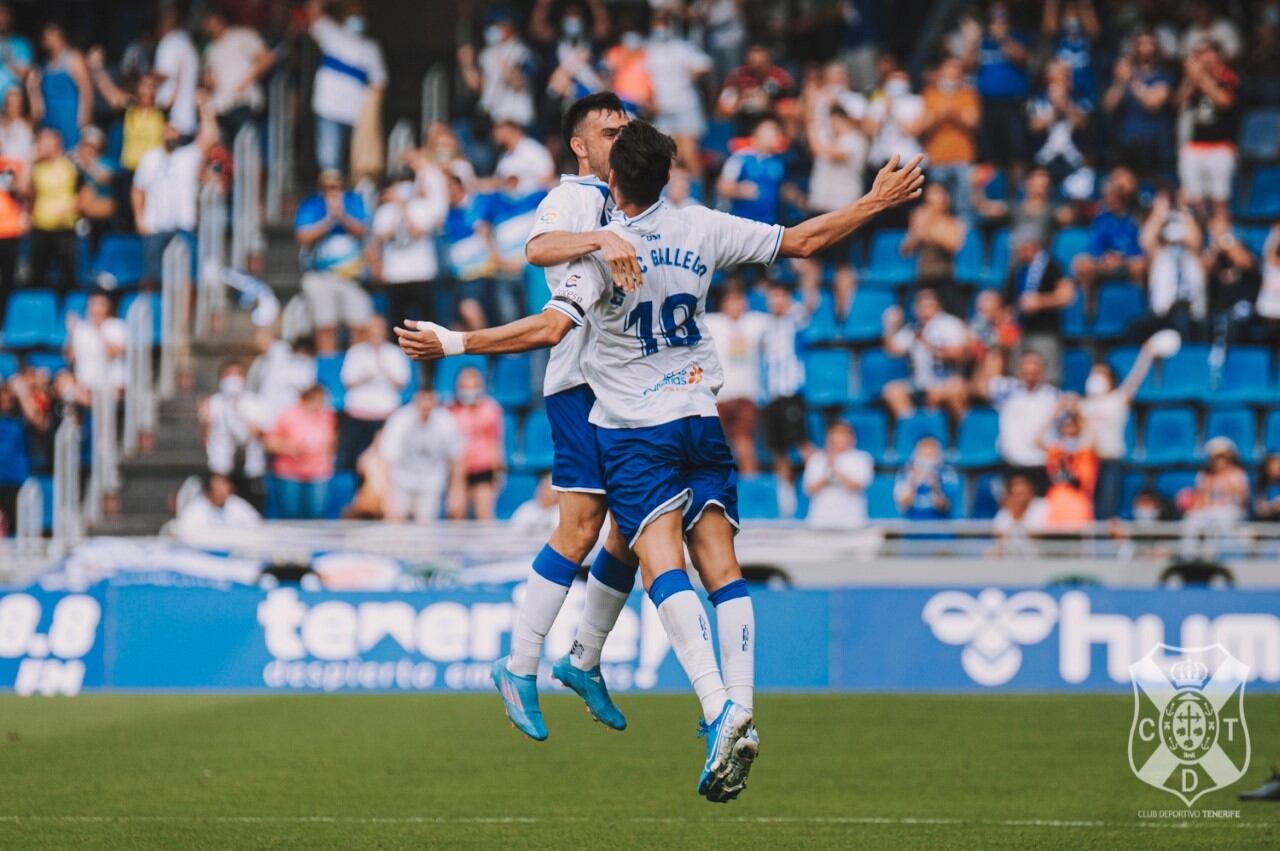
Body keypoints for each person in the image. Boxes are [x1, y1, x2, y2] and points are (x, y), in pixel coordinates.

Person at [395, 119, 924, 801]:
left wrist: (456, 343)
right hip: (701, 417)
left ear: (611, 179)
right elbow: (805, 239)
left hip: (636, 431)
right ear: (669, 175)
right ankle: (738, 703)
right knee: (723, 566)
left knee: (663, 565)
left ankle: (717, 706)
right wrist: (879, 199)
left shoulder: (603, 257)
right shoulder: (702, 225)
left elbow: (550, 328)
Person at [132, 96, 220, 289]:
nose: (169, 134)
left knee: (186, 278)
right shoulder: (150, 158)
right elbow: (138, 190)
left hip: (183, 225)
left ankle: (182, 319)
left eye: (173, 130)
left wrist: (205, 109)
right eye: (167, 129)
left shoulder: (189, 156)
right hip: (154, 226)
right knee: (151, 278)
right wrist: (140, 219)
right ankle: (153, 315)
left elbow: (209, 137)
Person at [294, 170, 373, 354]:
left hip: (352, 277)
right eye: (328, 187)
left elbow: (362, 230)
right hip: (320, 275)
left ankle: (356, 366)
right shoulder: (312, 205)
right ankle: (328, 365)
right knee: (325, 325)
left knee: (359, 324)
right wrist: (329, 220)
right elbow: (303, 236)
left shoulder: (354, 202)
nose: (332, 191)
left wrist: (342, 216)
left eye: (336, 186)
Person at [1080, 337, 1159, 521]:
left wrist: (1146, 354)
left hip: (1110, 460)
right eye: (1094, 374)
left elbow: (1136, 378)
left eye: (1101, 374)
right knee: (1086, 512)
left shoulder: (1117, 400)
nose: (1096, 379)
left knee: (1107, 510)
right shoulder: (1082, 405)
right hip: (1087, 462)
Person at [305, 0, 387, 173]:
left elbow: (379, 84)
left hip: (357, 115)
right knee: (330, 163)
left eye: (359, 15)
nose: (356, 19)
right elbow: (312, 12)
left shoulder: (371, 48)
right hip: (328, 109)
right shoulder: (332, 32)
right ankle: (332, 199)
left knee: (358, 165)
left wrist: (371, 119)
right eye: (352, 14)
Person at [802, 100, 867, 318]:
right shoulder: (831, 138)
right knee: (811, 262)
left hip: (842, 211)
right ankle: (808, 310)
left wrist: (811, 124)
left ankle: (843, 315)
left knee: (842, 263)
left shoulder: (855, 141)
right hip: (819, 207)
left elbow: (828, 152)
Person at [760, 279, 814, 519]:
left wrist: (805, 274)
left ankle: (816, 492)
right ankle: (787, 504)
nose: (776, 301)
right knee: (778, 451)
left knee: (801, 443)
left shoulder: (795, 318)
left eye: (781, 296)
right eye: (773, 297)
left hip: (791, 393)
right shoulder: (766, 326)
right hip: (771, 396)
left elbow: (810, 302)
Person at [367, 170, 446, 332]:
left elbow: (418, 232)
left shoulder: (422, 207)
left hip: (421, 273)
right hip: (395, 275)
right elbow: (381, 237)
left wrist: (404, 207)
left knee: (427, 324)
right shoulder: (385, 210)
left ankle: (429, 358)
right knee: (398, 325)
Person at [881, 288, 971, 423]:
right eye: (921, 306)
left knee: (946, 392)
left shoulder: (949, 324)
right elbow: (892, 350)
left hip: (946, 380)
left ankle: (964, 433)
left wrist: (931, 347)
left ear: (937, 306)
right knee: (892, 391)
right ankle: (912, 426)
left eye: (928, 305)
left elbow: (961, 353)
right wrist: (889, 327)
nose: (924, 310)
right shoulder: (913, 328)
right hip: (919, 382)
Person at [975, 349, 1060, 491]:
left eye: (1035, 365)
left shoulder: (1053, 395)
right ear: (1019, 370)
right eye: (1026, 365)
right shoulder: (1007, 389)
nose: (1030, 370)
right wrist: (991, 352)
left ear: (1043, 370)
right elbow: (980, 386)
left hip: (1042, 463)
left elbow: (1074, 409)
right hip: (1013, 463)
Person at [704, 288, 767, 474]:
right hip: (718, 396)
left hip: (745, 394)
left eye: (739, 300)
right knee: (715, 447)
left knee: (744, 444)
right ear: (723, 304)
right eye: (731, 301)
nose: (736, 306)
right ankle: (720, 492)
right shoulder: (712, 322)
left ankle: (750, 492)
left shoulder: (756, 322)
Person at [378, 389, 464, 524]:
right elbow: (386, 459)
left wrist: (456, 491)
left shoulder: (446, 421)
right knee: (394, 526)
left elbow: (456, 458)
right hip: (401, 480)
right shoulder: (400, 419)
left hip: (432, 481)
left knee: (425, 529)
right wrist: (387, 495)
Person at [1175, 40, 1239, 220]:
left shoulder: (1228, 77)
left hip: (1220, 146)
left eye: (1207, 52)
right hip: (1195, 145)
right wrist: (1190, 79)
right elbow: (1178, 102)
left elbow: (1224, 101)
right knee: (1192, 198)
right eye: (1199, 53)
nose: (1203, 58)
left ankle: (1220, 237)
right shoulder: (1194, 80)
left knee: (1219, 199)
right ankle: (1200, 237)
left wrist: (1201, 78)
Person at [338, 315, 410, 470]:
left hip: (385, 416)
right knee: (354, 462)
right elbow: (347, 381)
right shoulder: (355, 352)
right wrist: (365, 374)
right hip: (359, 415)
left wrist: (384, 367)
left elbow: (401, 382)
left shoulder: (394, 353)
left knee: (386, 461)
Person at [1004, 226, 1075, 382]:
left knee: (1047, 377)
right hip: (1021, 331)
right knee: (1018, 375)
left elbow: (1067, 295)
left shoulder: (1051, 266)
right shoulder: (1017, 268)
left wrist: (1040, 301)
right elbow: (1009, 301)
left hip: (1045, 332)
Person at [646, 10, 712, 176]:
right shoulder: (648, 49)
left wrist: (692, 75)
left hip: (685, 105)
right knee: (668, 157)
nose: (660, 29)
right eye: (657, 25)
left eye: (664, 25)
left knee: (689, 154)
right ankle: (670, 198)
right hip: (662, 107)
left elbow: (705, 64)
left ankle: (700, 195)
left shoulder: (682, 47)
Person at [970, 3, 1030, 180]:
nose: (998, 23)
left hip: (1012, 102)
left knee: (1016, 151)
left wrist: (1004, 39)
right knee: (990, 152)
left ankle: (1019, 191)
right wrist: (973, 41)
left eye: (1001, 19)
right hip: (987, 103)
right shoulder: (982, 41)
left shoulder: (1017, 37)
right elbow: (967, 65)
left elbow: (1023, 58)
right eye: (994, 19)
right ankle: (995, 192)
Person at [1072, 167, 1146, 310]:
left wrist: (1122, 258)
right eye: (1110, 195)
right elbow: (1095, 246)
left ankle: (1137, 308)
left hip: (1128, 263)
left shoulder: (1136, 217)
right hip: (1104, 264)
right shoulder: (1101, 219)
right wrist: (1104, 259)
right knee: (1081, 263)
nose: (1113, 199)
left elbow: (1140, 247)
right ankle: (1090, 311)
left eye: (1117, 195)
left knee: (1141, 266)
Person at [1103, 30, 1173, 177]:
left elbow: (1153, 103)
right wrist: (1120, 81)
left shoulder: (1163, 75)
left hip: (1152, 143)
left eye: (1150, 44)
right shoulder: (1124, 75)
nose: (1146, 48)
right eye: (1141, 44)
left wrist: (1132, 79)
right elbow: (1109, 105)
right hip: (1125, 140)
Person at [199, 360, 267, 511]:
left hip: (250, 468)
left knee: (249, 512)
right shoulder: (213, 403)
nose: (233, 379)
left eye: (238, 375)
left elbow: (260, 435)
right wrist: (206, 423)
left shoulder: (255, 403)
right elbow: (205, 441)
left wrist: (238, 411)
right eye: (229, 375)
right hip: (221, 468)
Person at [919, 57, 980, 222]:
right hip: (937, 158)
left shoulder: (967, 94)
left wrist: (953, 112)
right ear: (941, 72)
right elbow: (923, 125)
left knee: (964, 207)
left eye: (956, 70)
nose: (953, 74)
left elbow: (973, 121)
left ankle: (965, 244)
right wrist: (941, 113)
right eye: (949, 69)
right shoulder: (930, 94)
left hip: (963, 157)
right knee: (937, 208)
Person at [264, 384, 336, 520]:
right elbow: (269, 442)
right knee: (291, 514)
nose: (320, 404)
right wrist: (290, 448)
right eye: (316, 400)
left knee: (317, 514)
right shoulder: (287, 415)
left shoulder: (327, 416)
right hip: (290, 473)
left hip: (319, 473)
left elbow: (331, 442)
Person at [201, 8, 272, 144]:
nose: (208, 26)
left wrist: (245, 82)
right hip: (221, 107)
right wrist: (209, 82)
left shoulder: (242, 36)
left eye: (210, 21)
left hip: (244, 103)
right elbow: (211, 80)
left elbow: (266, 59)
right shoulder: (210, 49)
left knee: (248, 147)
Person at [1140, 191, 1206, 335]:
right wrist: (1158, 213)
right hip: (1162, 313)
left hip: (1193, 313)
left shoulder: (1192, 256)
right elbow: (1146, 241)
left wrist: (1183, 209)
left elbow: (1196, 242)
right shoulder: (1160, 254)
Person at [458, 8, 535, 129]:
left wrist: (505, 65)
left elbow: (519, 84)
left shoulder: (522, 51)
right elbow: (477, 86)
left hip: (516, 119)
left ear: (510, 26)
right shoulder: (487, 53)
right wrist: (467, 65)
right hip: (491, 117)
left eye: (498, 25)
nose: (493, 29)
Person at [446, 367, 504, 520]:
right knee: (456, 512)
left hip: (482, 468)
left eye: (473, 386)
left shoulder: (491, 408)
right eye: (465, 387)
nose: (469, 391)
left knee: (484, 514)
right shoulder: (449, 409)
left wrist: (498, 472)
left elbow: (495, 441)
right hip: (457, 470)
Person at [1180, 436, 1249, 558]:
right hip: (1209, 510)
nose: (1218, 461)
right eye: (1215, 457)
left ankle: (1212, 557)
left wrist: (1226, 482)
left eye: (1222, 457)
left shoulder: (1238, 474)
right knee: (1191, 518)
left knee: (1218, 521)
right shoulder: (1204, 476)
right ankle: (1188, 555)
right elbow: (1201, 500)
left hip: (1231, 511)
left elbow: (1243, 499)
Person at [900, 183, 965, 308]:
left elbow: (953, 245)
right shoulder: (920, 219)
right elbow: (905, 250)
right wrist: (915, 233)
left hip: (944, 278)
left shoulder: (952, 222)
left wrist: (927, 229)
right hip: (923, 277)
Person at [29, 128, 78, 290]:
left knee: (68, 277)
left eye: (45, 141)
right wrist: (30, 161)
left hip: (64, 228)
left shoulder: (71, 165)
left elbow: (85, 193)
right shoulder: (37, 168)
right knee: (37, 277)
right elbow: (25, 191)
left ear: (57, 143)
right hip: (40, 229)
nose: (41, 144)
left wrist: (72, 208)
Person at [1037, 398, 1098, 528]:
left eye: (1072, 425)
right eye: (1066, 425)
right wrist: (1055, 412)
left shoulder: (1084, 451)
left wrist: (1079, 411)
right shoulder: (1057, 451)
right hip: (1057, 502)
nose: (1069, 429)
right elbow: (1038, 439)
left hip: (1080, 501)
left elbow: (1094, 438)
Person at [716, 115, 786, 225]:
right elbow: (722, 187)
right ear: (756, 135)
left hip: (770, 224)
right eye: (770, 130)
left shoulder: (778, 161)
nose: (775, 134)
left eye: (776, 131)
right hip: (742, 224)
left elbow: (781, 189)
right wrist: (739, 190)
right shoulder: (740, 158)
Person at [804, 420, 874, 528]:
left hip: (851, 522)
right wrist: (827, 474)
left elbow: (857, 486)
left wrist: (836, 469)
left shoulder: (861, 458)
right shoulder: (817, 458)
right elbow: (810, 489)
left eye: (843, 434)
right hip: (820, 522)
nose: (839, 438)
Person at [717, 44, 795, 135]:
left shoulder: (781, 78)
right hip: (743, 122)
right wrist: (741, 101)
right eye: (753, 64)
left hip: (771, 124)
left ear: (769, 59)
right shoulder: (736, 77)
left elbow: (792, 110)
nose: (757, 67)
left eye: (761, 64)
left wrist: (769, 105)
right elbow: (722, 111)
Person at [37, 23, 90, 150]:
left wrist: (85, 116)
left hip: (68, 114)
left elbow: (86, 88)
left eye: (50, 36)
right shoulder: (46, 63)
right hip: (50, 114)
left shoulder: (73, 58)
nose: (47, 40)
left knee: (69, 149)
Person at [171, 473, 262, 543]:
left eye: (226, 485)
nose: (226, 489)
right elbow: (186, 534)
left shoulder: (236, 504)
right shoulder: (195, 509)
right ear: (210, 490)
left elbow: (255, 524)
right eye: (221, 486)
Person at [65, 293, 126, 396]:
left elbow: (114, 353)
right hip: (86, 386)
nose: (96, 309)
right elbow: (71, 358)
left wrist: (98, 330)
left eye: (100, 304)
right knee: (65, 383)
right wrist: (71, 334)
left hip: (112, 385)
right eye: (93, 304)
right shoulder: (81, 328)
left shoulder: (117, 326)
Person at [894, 436, 958, 521]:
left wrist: (935, 486)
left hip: (940, 528)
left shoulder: (947, 473)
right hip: (912, 527)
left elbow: (945, 507)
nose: (927, 460)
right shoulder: (905, 472)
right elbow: (903, 505)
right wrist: (913, 484)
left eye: (931, 455)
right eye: (924, 455)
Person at [491, 120, 555, 195]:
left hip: (531, 199)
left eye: (501, 131)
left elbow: (548, 174)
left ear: (513, 131)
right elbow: (499, 181)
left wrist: (528, 191)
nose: (496, 135)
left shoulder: (531, 148)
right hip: (509, 200)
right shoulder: (505, 156)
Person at [992, 473, 1048, 550]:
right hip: (1012, 555)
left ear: (1031, 492)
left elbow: (1037, 538)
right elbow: (1000, 542)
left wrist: (1018, 516)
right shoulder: (1005, 511)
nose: (1020, 499)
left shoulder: (1041, 506)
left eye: (1023, 494)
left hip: (1038, 553)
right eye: (1016, 495)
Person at [1254, 454, 1280, 522]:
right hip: (1266, 522)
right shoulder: (1260, 485)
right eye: (1272, 467)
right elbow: (1260, 509)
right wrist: (1274, 506)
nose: (1275, 470)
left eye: (1277, 467)